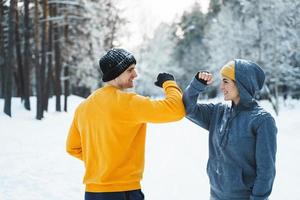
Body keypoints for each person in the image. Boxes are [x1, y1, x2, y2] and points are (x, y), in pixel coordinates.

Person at [66, 48, 185, 200]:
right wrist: (169, 83)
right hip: (123, 192)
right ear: (117, 73)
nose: (135, 75)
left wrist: (103, 161)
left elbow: (72, 148)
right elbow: (175, 110)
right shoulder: (128, 103)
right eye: (130, 70)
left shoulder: (83, 107)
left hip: (92, 193)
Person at [183, 59, 277, 200]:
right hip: (215, 195)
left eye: (226, 81)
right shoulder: (218, 112)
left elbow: (266, 171)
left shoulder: (262, 120)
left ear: (241, 84)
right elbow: (188, 108)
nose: (221, 87)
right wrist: (197, 85)